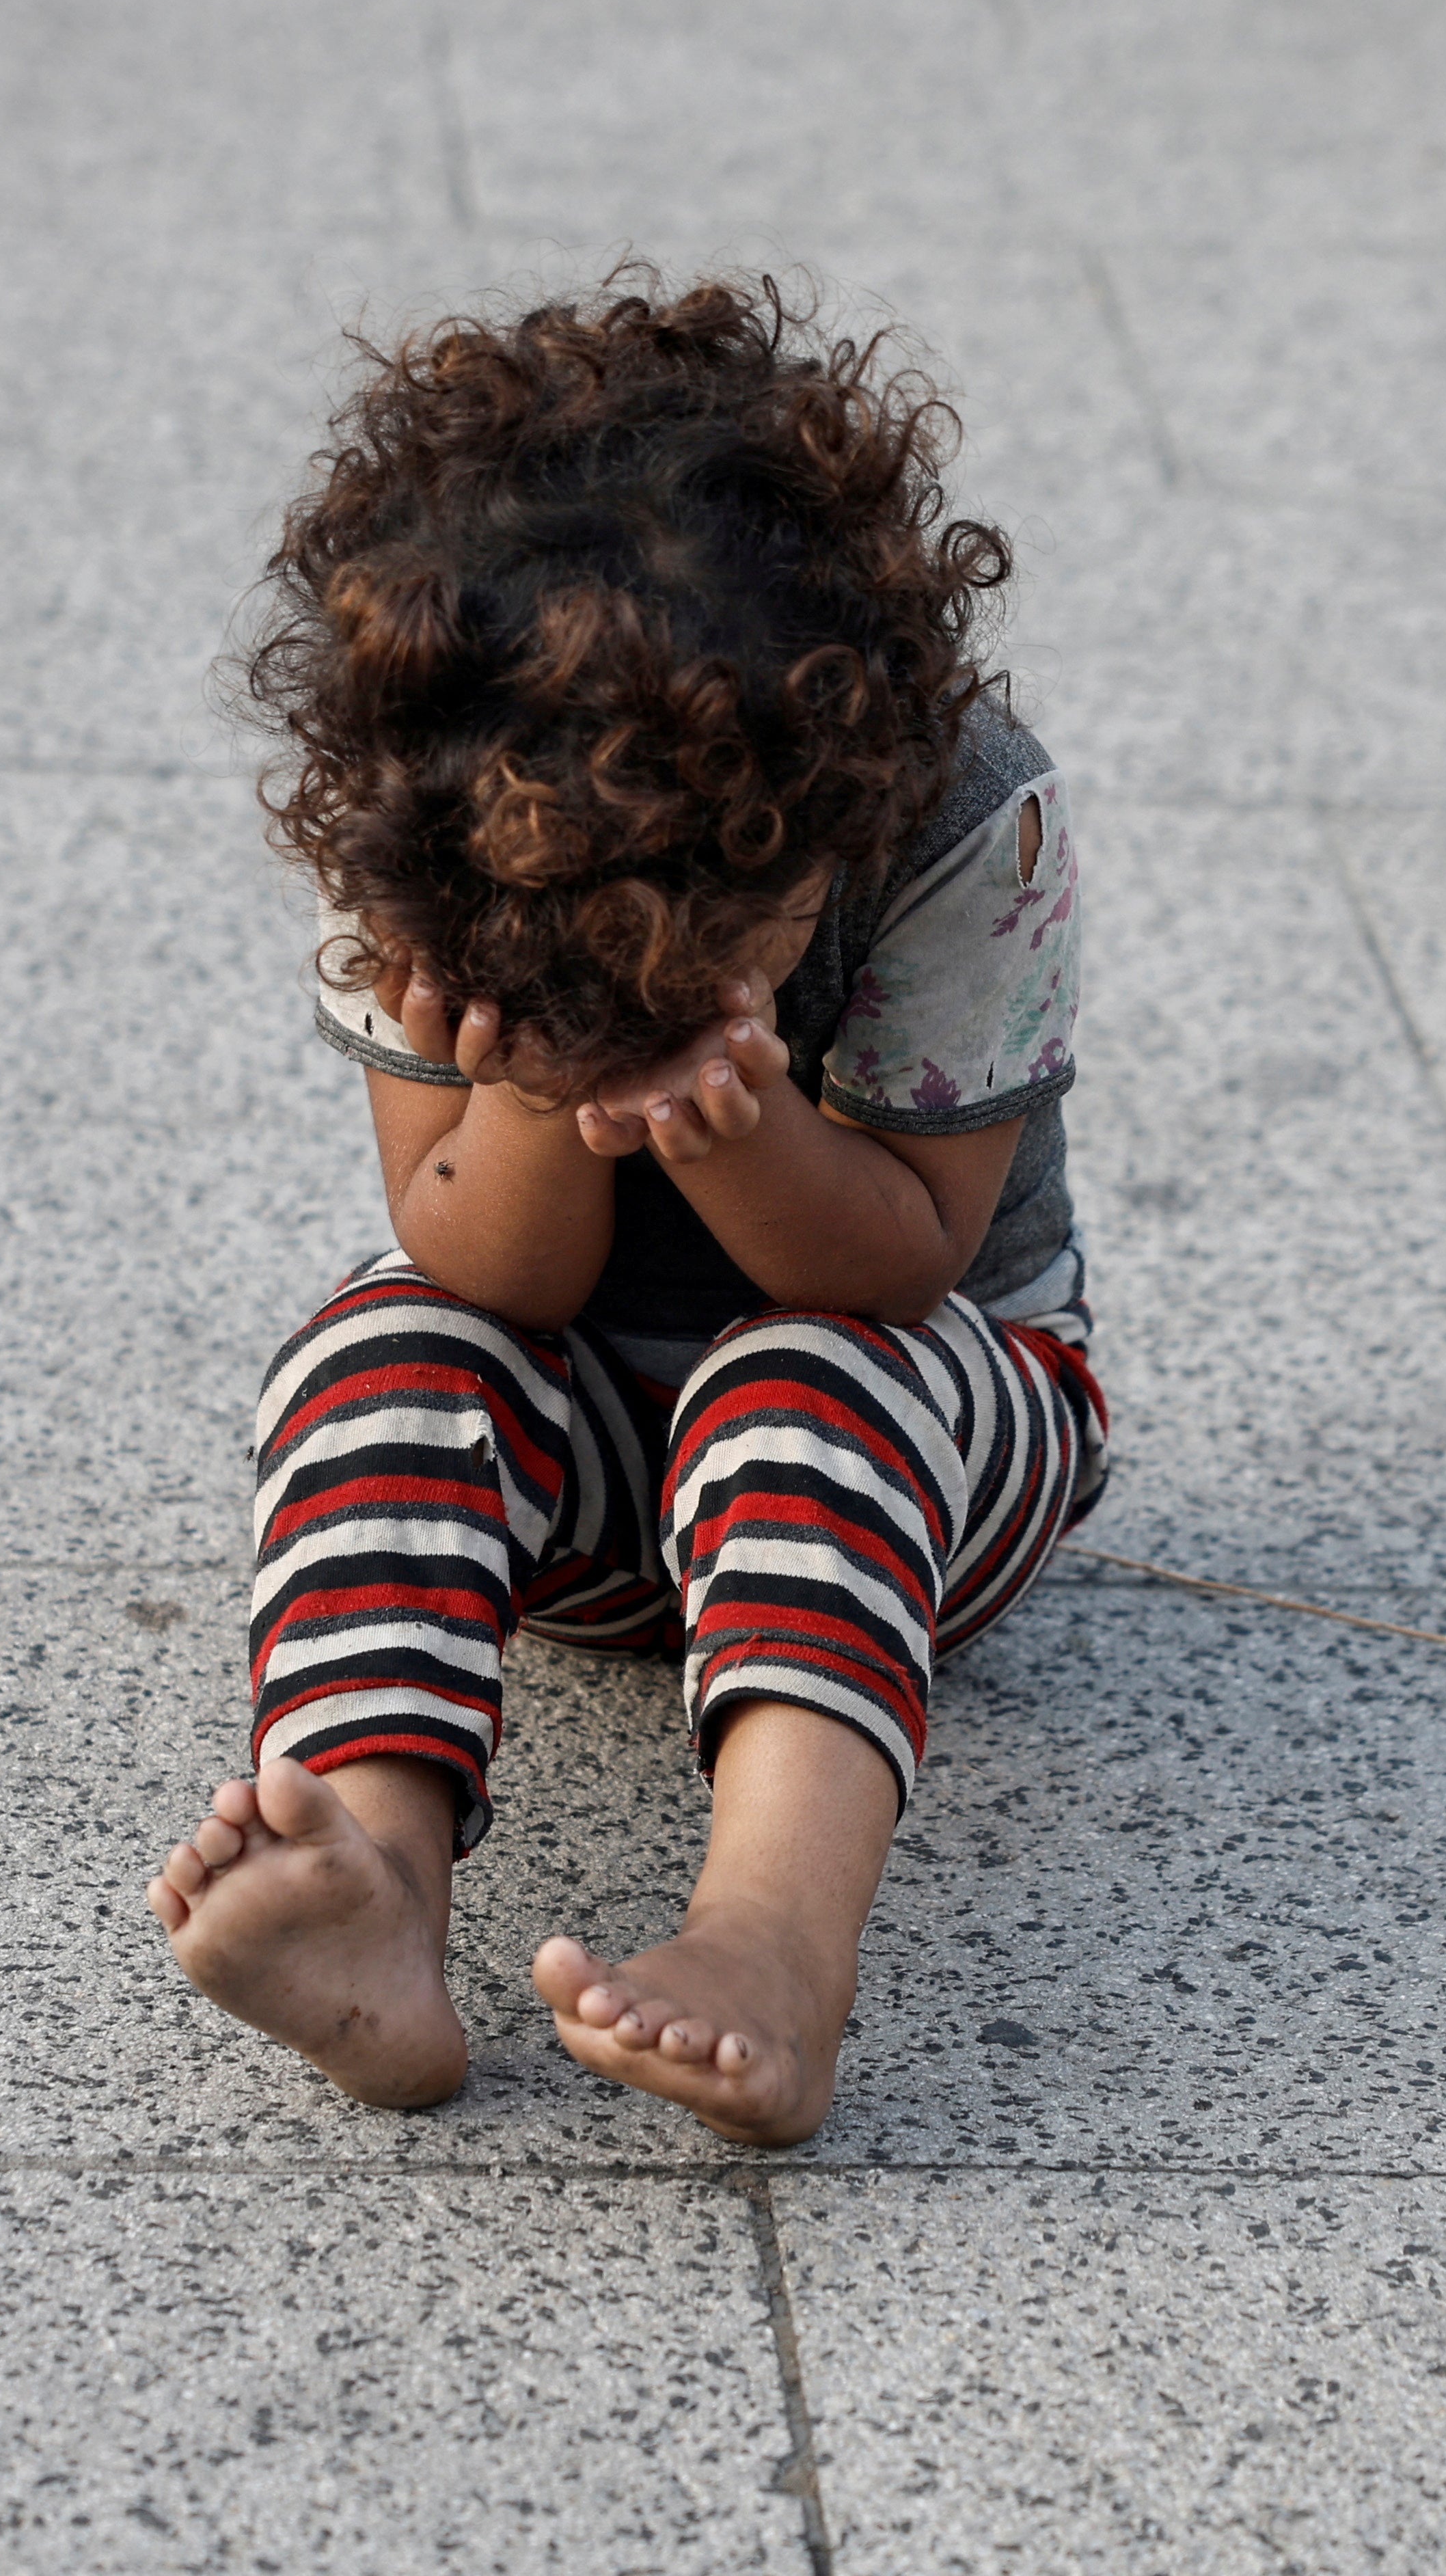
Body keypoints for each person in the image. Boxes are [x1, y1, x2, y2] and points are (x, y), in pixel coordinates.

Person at [146, 270, 1103, 2146]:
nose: (629, 1009)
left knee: (807, 1374)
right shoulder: (425, 831)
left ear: (832, 813)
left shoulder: (967, 823)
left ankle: (769, 1942)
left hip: (919, 1453)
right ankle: (377, 1885)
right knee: (382, 1342)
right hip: (579, 1488)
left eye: (697, 958)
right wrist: (525, 1089)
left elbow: (907, 1260)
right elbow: (486, 1270)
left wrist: (737, 1121)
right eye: (569, 970)